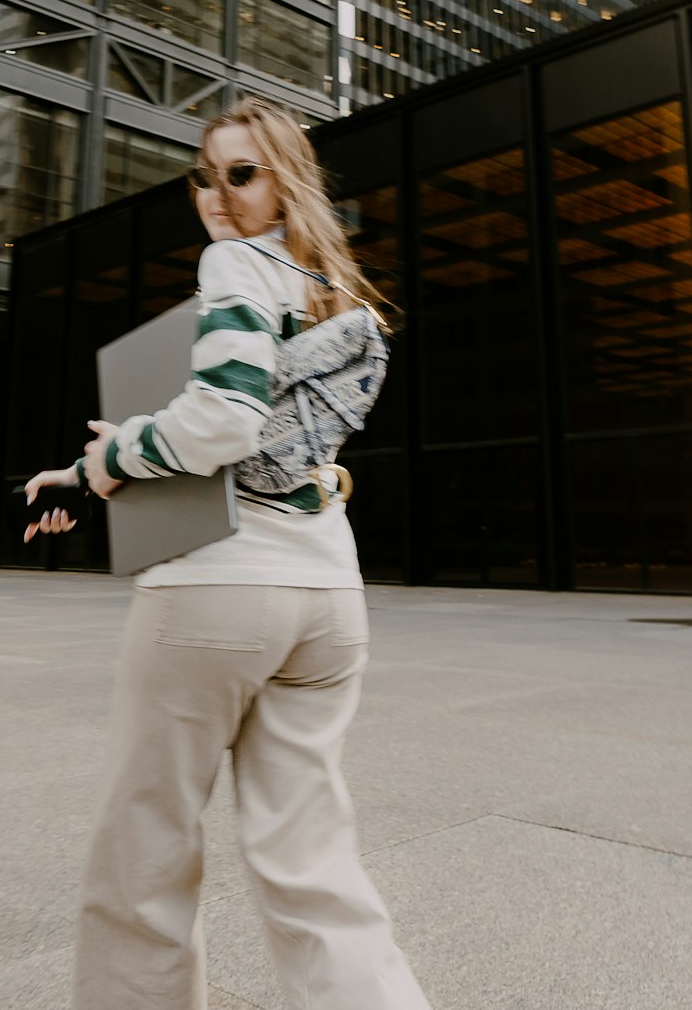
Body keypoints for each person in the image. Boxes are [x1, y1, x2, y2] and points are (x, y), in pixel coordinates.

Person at [24, 96, 432, 1010]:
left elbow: (224, 417)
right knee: (313, 864)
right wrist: (117, 458)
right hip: (327, 601)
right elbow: (277, 438)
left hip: (216, 595)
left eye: (240, 173)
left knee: (145, 852)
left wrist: (109, 462)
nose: (217, 195)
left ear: (286, 179)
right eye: (203, 175)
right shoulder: (330, 286)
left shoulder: (235, 265)